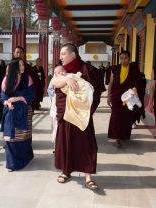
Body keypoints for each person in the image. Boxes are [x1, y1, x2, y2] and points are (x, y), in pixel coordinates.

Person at [52, 43, 105, 190]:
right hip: (65, 113)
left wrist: (87, 110)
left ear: (73, 55)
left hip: (81, 114)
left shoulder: (86, 69)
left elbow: (96, 92)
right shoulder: (61, 70)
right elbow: (55, 83)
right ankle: (66, 171)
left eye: (63, 54)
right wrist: (67, 80)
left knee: (87, 144)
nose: (60, 57)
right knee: (65, 143)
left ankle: (88, 177)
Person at [1, 58, 35, 171]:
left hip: (24, 111)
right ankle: (12, 163)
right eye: (20, 65)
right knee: (11, 138)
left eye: (23, 65)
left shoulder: (27, 79)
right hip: (10, 111)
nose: (23, 67)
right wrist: (7, 102)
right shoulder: (6, 80)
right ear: (14, 67)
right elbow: (3, 96)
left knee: (23, 136)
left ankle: (25, 158)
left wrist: (17, 98)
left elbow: (31, 95)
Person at [107, 51, 144, 147]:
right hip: (116, 97)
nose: (123, 60)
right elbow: (111, 83)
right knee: (116, 117)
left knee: (127, 117)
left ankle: (124, 136)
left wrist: (135, 92)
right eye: (121, 58)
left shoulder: (134, 69)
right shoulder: (115, 69)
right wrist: (108, 96)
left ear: (129, 59)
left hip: (128, 98)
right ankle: (116, 137)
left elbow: (139, 83)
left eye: (126, 58)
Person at [13, 46, 39, 111]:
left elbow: (33, 82)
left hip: (24, 99)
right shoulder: (9, 66)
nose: (19, 54)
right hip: (12, 99)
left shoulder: (27, 67)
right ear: (13, 53)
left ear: (23, 54)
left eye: (21, 53)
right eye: (17, 52)